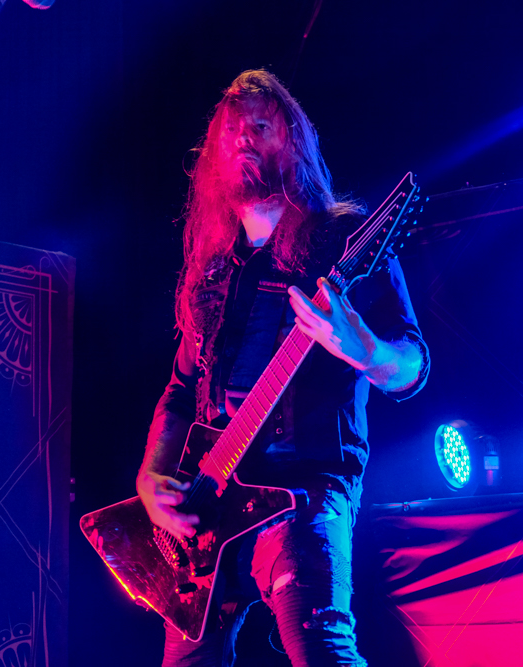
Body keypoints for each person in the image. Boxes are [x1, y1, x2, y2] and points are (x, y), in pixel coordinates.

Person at [135, 68, 429, 667]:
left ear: (293, 141)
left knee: (321, 650)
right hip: (208, 499)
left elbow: (413, 366)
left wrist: (366, 350)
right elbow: (180, 389)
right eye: (231, 130)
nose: (244, 137)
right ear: (211, 158)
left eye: (261, 125)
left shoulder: (347, 242)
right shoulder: (213, 272)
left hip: (304, 490)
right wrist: (151, 476)